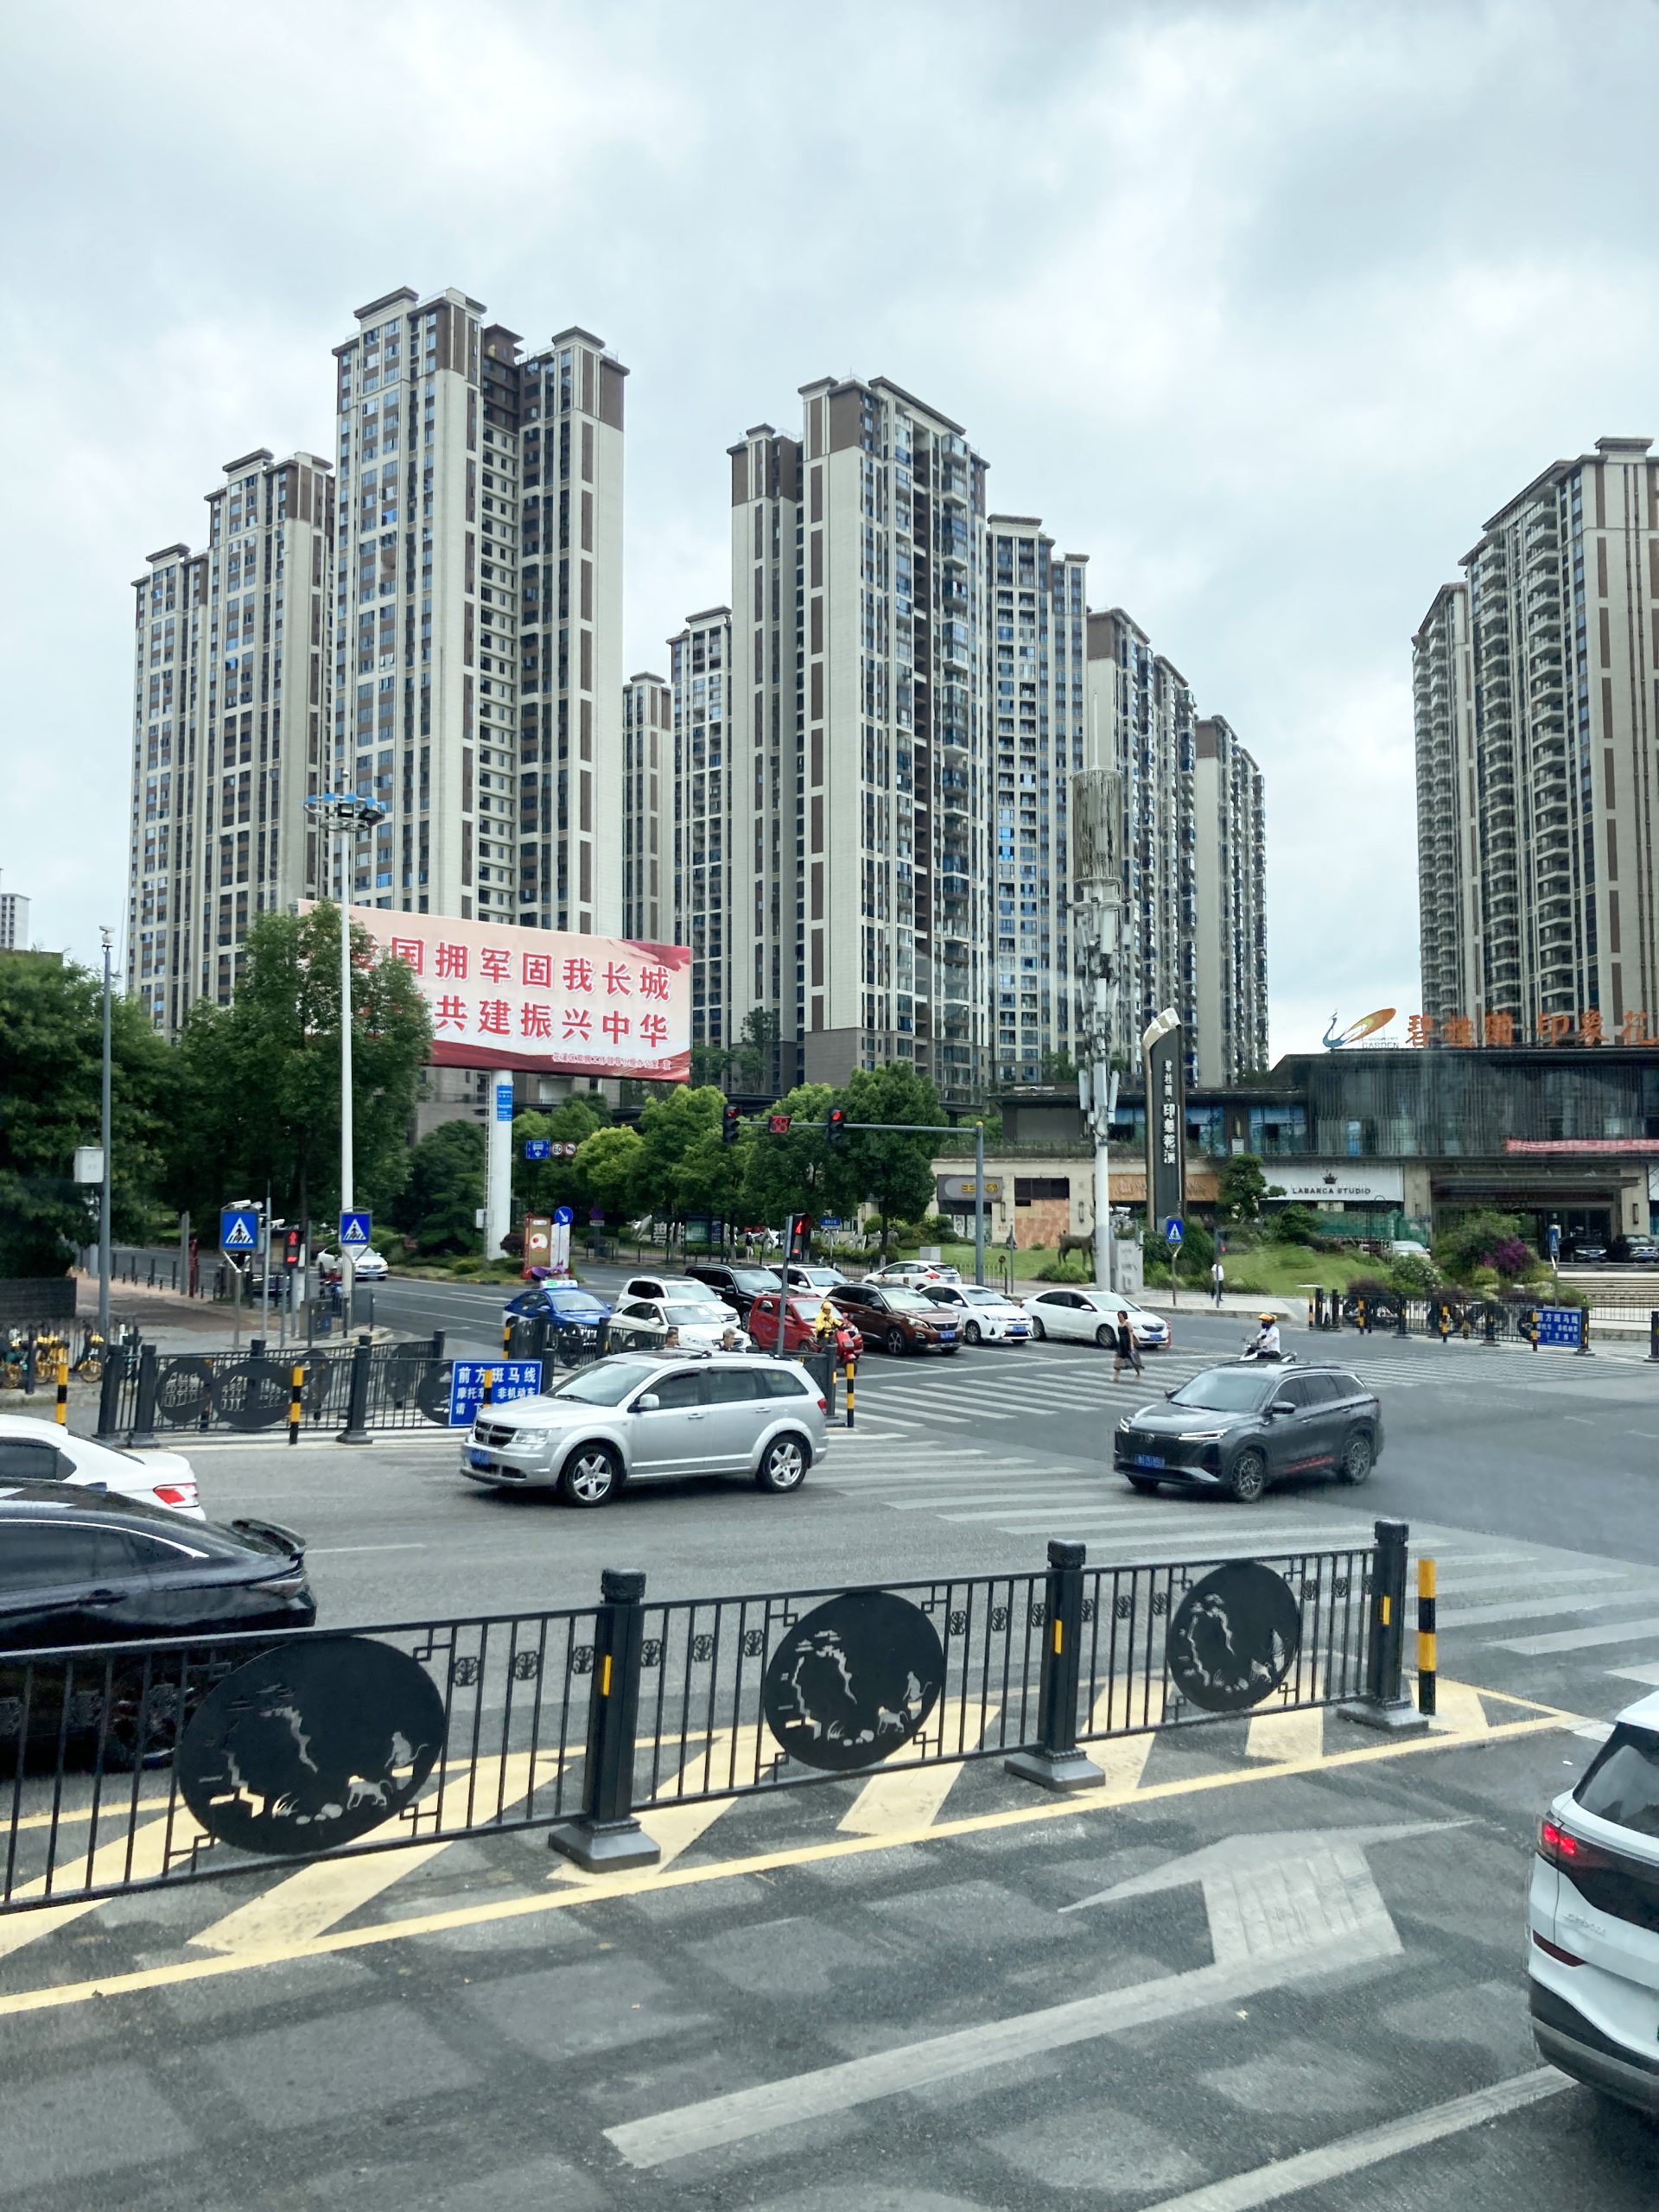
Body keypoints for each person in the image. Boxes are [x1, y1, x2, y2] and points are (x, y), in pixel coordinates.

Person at [1111, 1308, 1143, 1382]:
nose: (1119, 1318)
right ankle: (1116, 1377)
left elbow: (1131, 1334)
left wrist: (1131, 1344)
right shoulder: (1119, 1325)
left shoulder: (1128, 1324)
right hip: (1121, 1344)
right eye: (1118, 1316)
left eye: (1120, 1316)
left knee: (1133, 1360)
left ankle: (1138, 1373)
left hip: (1127, 1343)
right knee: (1118, 1360)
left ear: (1124, 1316)